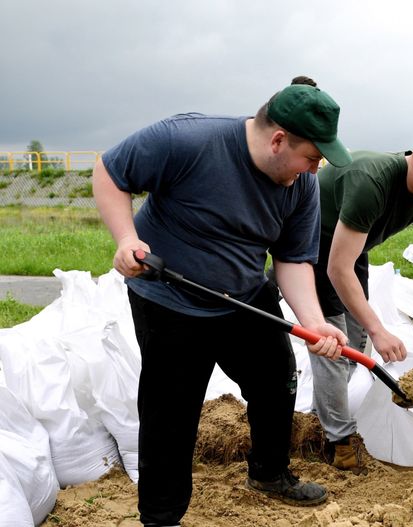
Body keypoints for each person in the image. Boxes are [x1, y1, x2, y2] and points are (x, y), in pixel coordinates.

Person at [92, 83, 353, 526]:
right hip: (169, 299)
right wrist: (127, 239)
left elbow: (292, 261)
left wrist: (313, 323)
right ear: (277, 141)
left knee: (276, 381)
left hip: (245, 297)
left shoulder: (302, 187)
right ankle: (161, 516)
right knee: (170, 413)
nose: (315, 169)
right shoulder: (186, 140)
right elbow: (110, 172)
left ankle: (269, 474)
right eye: (312, 157)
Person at [308, 124, 413, 473]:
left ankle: (324, 409)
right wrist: (380, 329)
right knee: (332, 340)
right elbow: (337, 268)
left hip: (354, 245)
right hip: (313, 241)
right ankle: (338, 438)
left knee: (357, 338)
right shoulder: (374, 181)